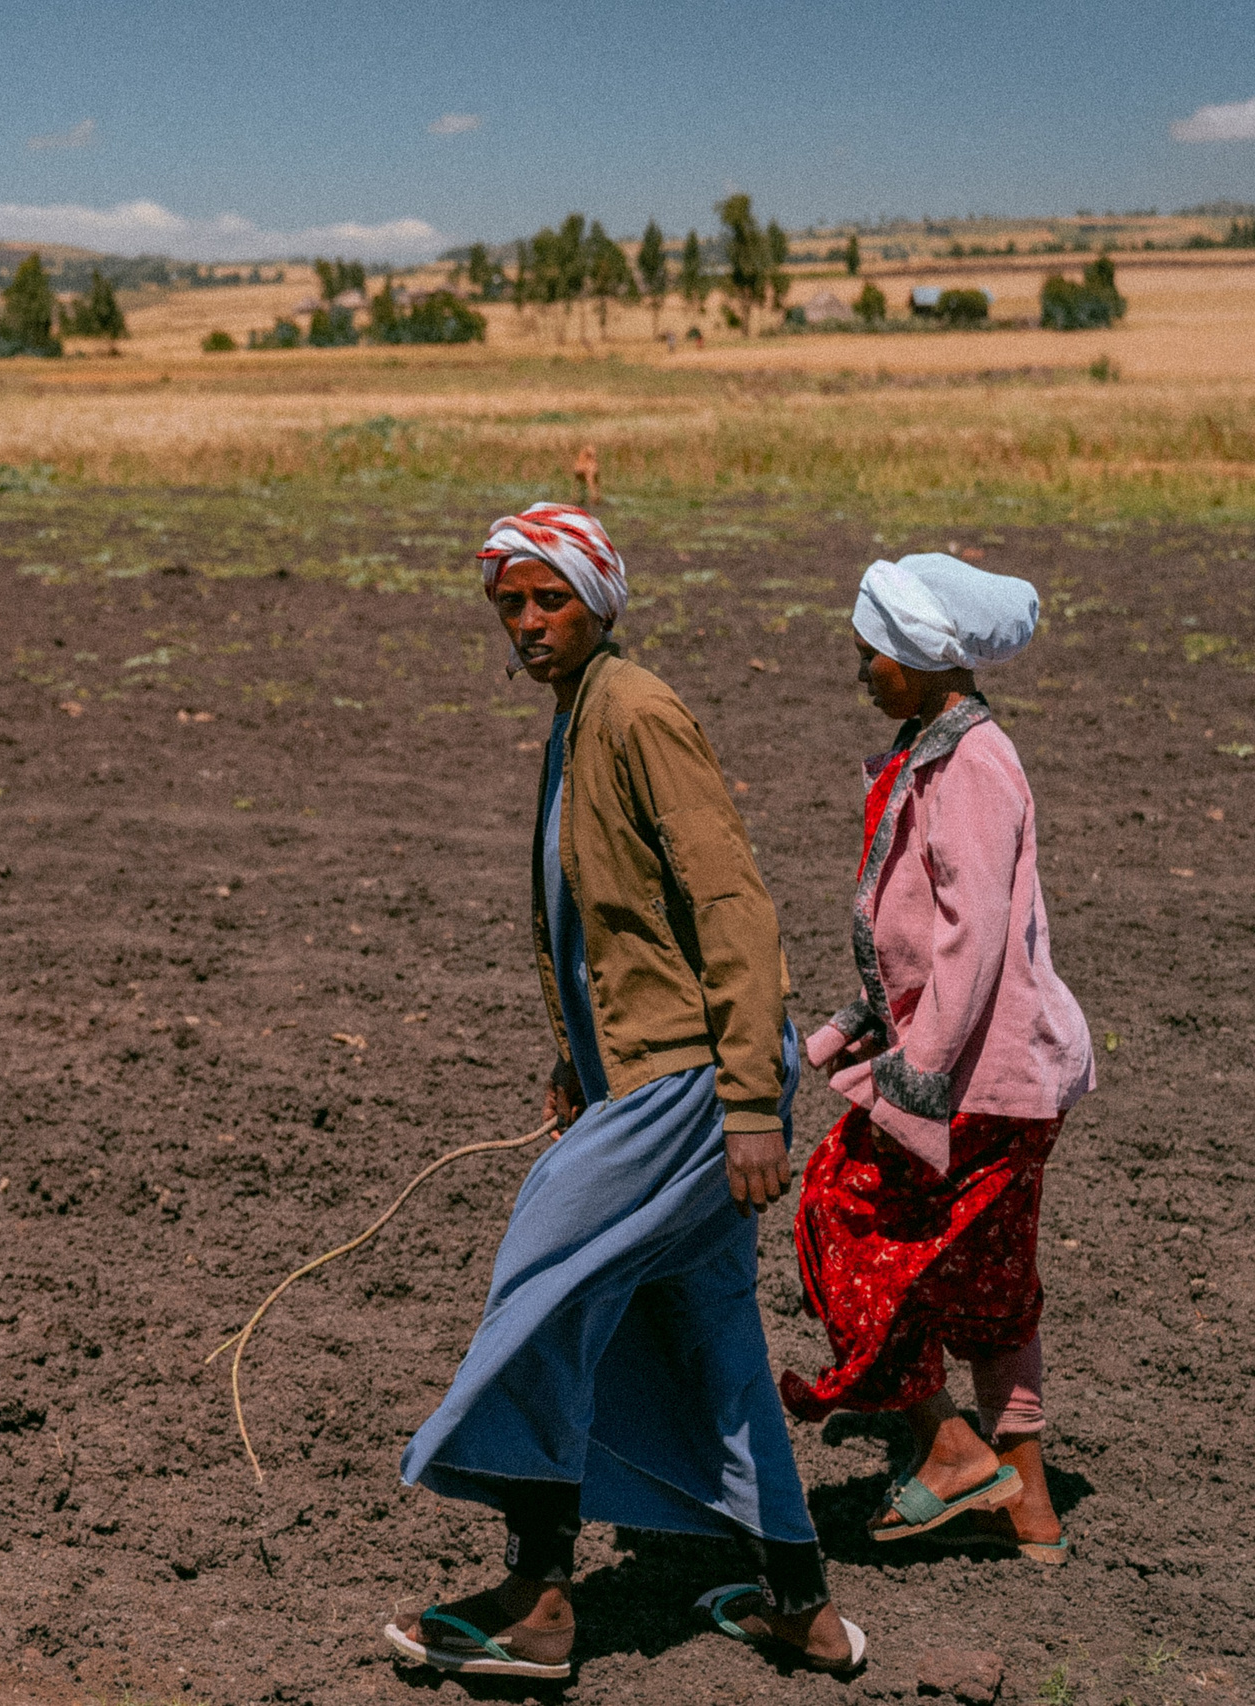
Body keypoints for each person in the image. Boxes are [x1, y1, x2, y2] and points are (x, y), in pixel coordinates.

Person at [387, 503, 865, 1682]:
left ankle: (540, 1598)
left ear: (600, 599)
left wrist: (753, 1097)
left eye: (548, 599)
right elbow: (593, 922)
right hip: (639, 1080)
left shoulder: (637, 710)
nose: (528, 621)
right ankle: (801, 1603)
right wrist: (573, 1061)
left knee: (541, 1291)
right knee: (708, 1337)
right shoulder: (575, 718)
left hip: (692, 1085)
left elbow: (730, 904)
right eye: (510, 603)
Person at [781, 553, 1092, 1561]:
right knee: (992, 1284)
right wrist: (828, 1041)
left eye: (872, 649)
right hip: (1001, 1071)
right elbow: (908, 953)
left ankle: (947, 1445)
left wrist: (914, 1075)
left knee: (837, 1207)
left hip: (978, 1074)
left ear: (918, 658)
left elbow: (971, 937)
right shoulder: (937, 750)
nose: (861, 668)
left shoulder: (974, 764)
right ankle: (1032, 1513)